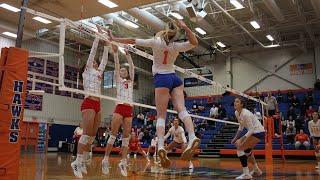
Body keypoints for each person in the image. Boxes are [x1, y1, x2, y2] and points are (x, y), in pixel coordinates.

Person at [108, 19, 200, 168]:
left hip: (162, 78)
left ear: (163, 31)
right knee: (182, 109)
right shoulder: (176, 46)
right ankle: (192, 136)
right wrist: (185, 27)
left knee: (161, 115)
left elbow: (133, 40)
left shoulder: (155, 42)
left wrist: (114, 39)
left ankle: (162, 146)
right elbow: (194, 42)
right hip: (174, 78)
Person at [71, 29, 109, 178]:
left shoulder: (99, 72)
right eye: (92, 61)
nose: (94, 62)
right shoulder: (86, 72)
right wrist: (97, 38)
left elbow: (104, 61)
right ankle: (77, 161)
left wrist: (106, 45)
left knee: (92, 135)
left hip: (98, 104)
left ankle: (83, 160)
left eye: (95, 62)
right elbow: (93, 53)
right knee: (86, 134)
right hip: (88, 103)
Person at [101, 46, 135, 177]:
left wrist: (128, 55)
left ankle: (123, 161)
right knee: (114, 134)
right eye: (121, 70)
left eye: (124, 70)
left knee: (126, 137)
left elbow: (132, 67)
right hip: (119, 107)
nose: (123, 71)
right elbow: (116, 66)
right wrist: (115, 54)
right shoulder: (118, 80)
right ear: (119, 74)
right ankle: (105, 159)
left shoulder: (130, 82)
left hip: (129, 108)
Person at [231, 98, 265, 179]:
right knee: (247, 151)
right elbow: (241, 126)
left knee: (240, 149)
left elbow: (251, 129)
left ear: (242, 104)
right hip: (254, 132)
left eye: (237, 102)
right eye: (234, 101)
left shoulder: (246, 113)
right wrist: (235, 137)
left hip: (258, 132)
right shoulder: (236, 113)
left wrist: (241, 139)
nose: (235, 103)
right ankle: (256, 169)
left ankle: (246, 174)